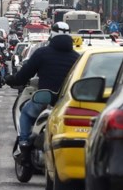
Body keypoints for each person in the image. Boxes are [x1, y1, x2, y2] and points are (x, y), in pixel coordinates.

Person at [6, 21, 79, 149]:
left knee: (26, 113)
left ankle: (24, 142)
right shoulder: (76, 57)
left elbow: (24, 75)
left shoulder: (42, 53)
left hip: (45, 100)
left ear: (52, 35)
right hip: (66, 103)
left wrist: (12, 79)